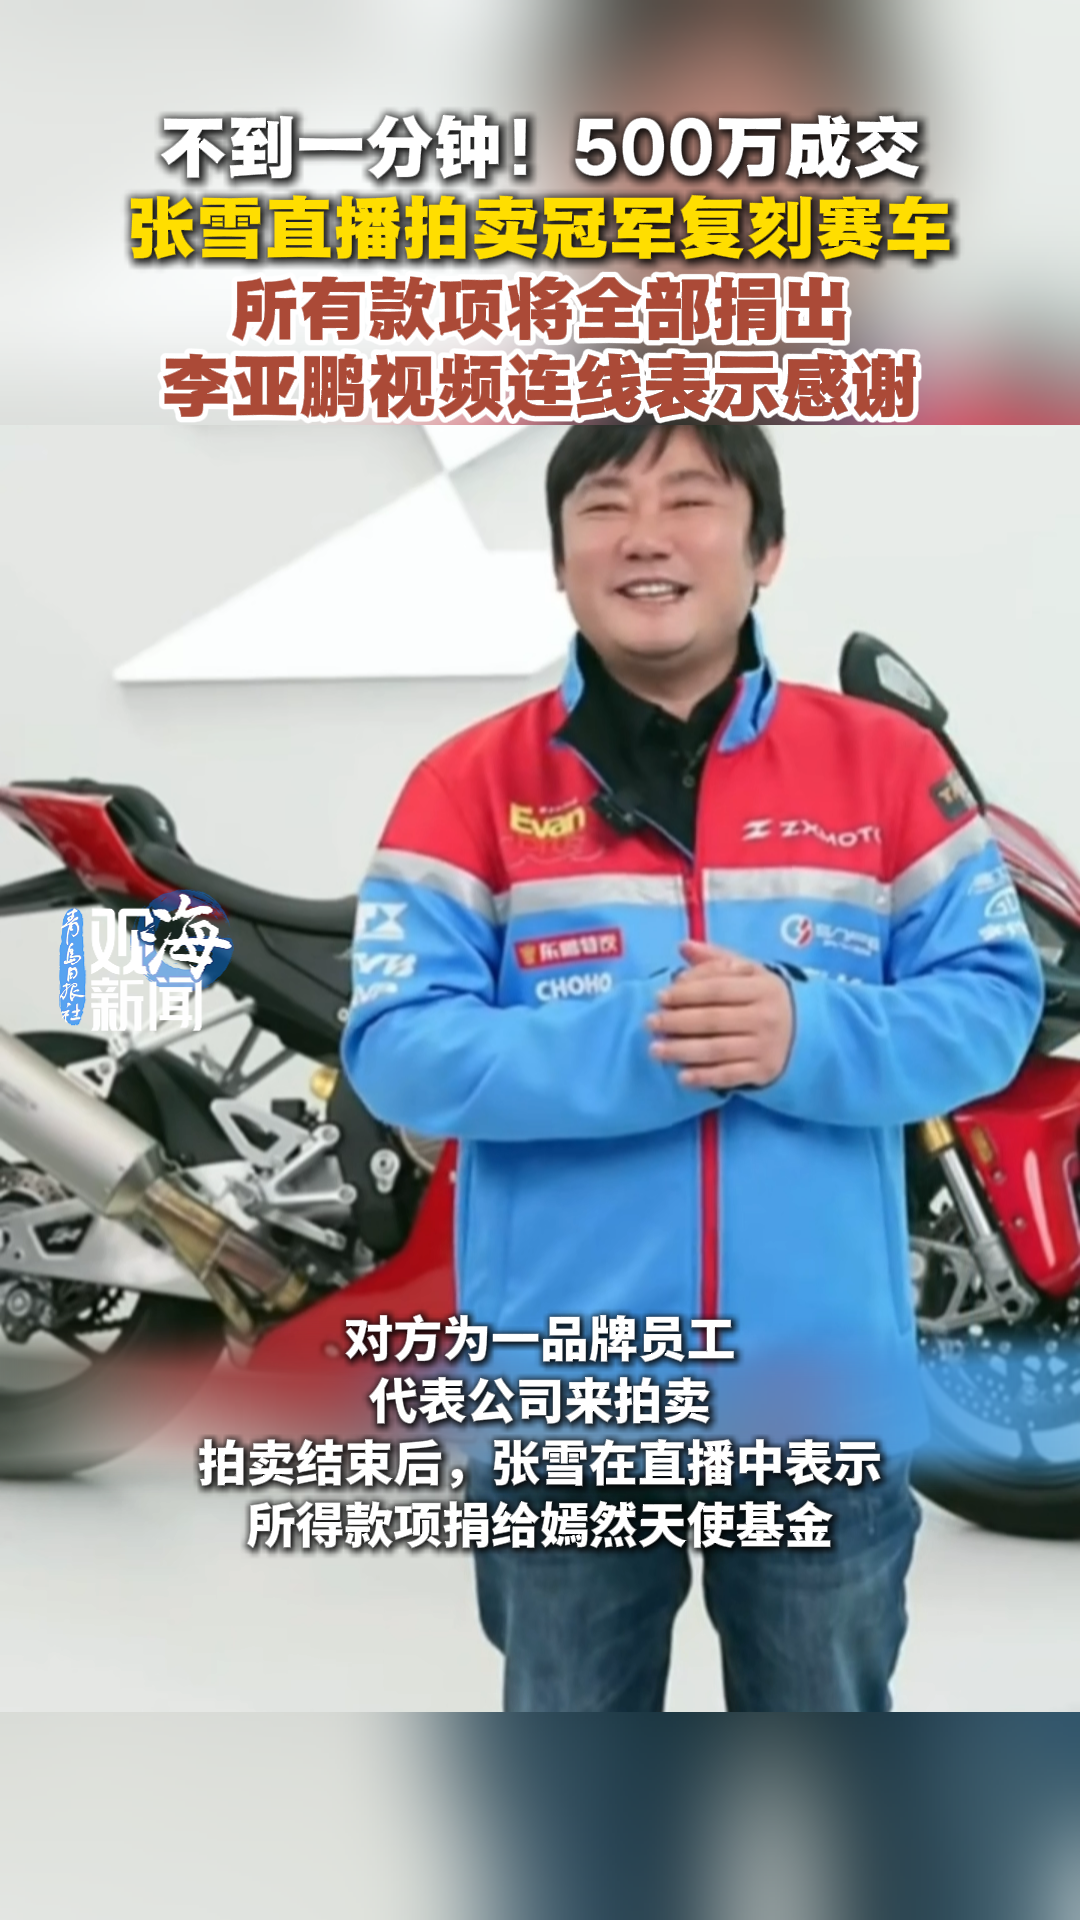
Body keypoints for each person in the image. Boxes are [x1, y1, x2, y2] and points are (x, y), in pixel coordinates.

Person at [341, 419, 1043, 1711]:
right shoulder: (465, 785)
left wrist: (805, 1034)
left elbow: (995, 1002)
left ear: (765, 549)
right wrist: (644, 1045)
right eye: (603, 507)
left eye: (689, 501)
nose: (644, 537)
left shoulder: (888, 768)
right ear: (560, 560)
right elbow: (396, 1047)